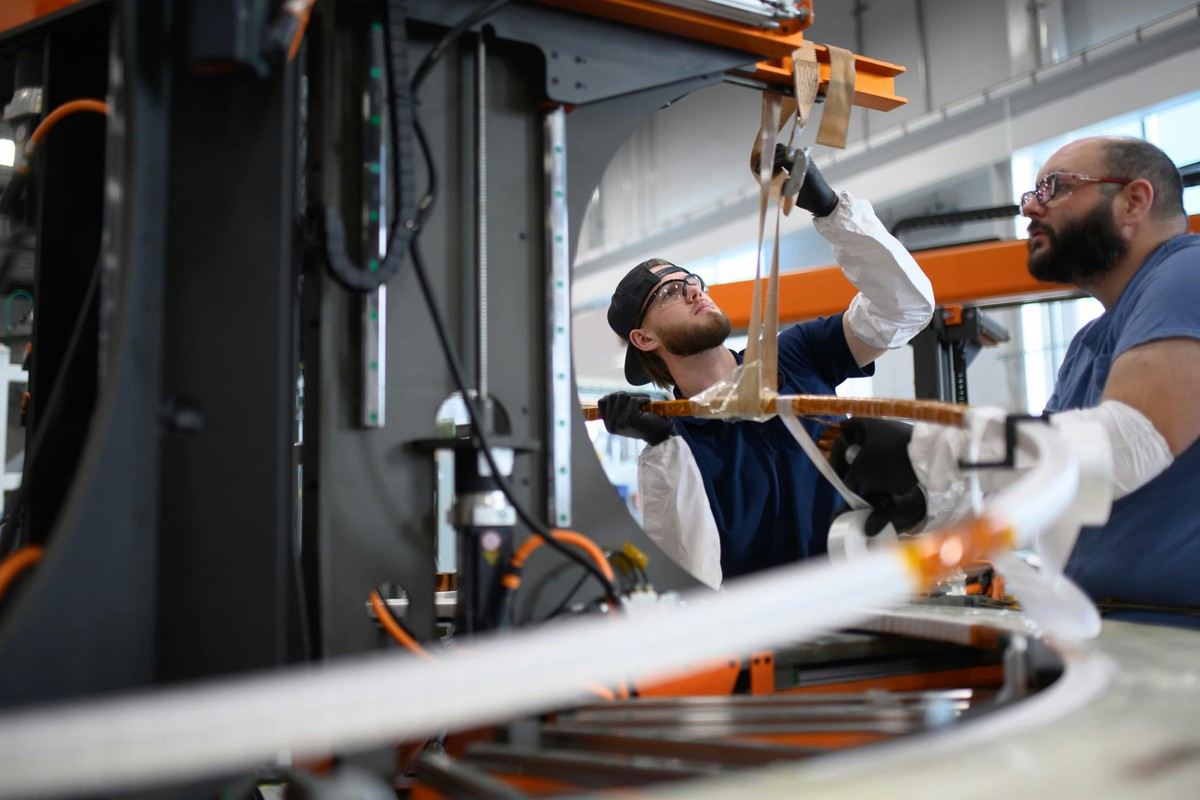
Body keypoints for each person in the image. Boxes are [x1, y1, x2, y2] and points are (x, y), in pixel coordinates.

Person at [836, 136, 1200, 620]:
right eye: (1030, 192)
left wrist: (932, 449)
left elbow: (1129, 444)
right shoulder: (1091, 343)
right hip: (1115, 625)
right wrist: (921, 501)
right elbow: (1053, 476)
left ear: (1134, 201)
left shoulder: (1187, 272)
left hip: (1179, 639)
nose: (1030, 208)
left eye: (1054, 187)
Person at [598, 159, 934, 589]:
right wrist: (664, 448)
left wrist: (831, 209)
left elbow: (905, 309)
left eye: (692, 281)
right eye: (670, 292)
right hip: (768, 641)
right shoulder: (680, 442)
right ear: (644, 339)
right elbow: (689, 574)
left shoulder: (794, 356)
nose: (694, 291)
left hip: (865, 609)